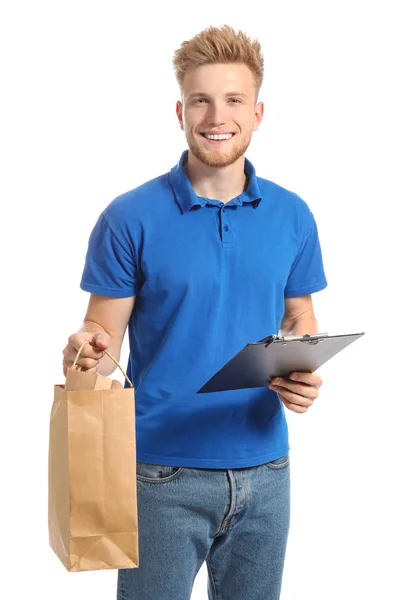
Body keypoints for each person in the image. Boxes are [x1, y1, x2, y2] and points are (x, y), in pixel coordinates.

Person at [62, 24, 327, 600]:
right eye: (202, 100)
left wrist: (301, 369)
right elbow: (99, 343)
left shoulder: (293, 214)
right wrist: (85, 352)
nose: (217, 116)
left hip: (267, 471)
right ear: (179, 111)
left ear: (258, 113)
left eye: (233, 100)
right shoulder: (129, 216)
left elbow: (300, 316)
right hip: (160, 474)